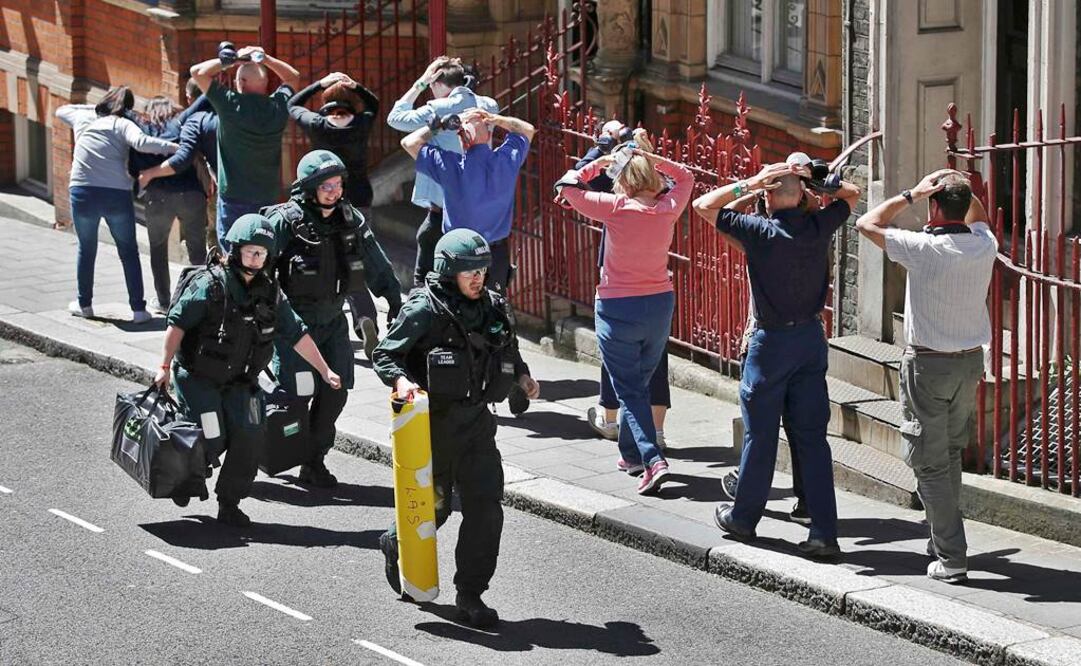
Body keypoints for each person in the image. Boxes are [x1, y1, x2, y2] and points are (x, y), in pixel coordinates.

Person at [692, 157, 861, 558]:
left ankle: (743, 518)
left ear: (767, 198)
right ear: (802, 195)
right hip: (810, 340)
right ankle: (823, 533)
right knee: (813, 439)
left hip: (771, 345)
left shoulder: (760, 231)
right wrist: (813, 180)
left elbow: (703, 205)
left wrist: (752, 182)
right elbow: (852, 195)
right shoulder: (819, 226)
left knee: (761, 435)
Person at [371, 229, 539, 628]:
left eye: (481, 271)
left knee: (486, 509)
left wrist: (523, 377)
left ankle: (470, 594)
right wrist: (402, 382)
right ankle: (396, 541)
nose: (478, 279)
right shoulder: (424, 309)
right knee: (436, 510)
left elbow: (508, 347)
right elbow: (385, 353)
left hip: (478, 424)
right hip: (433, 428)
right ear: (449, 272)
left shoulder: (492, 306)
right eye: (469, 272)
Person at [153, 214, 342, 526]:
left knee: (250, 436)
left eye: (263, 253)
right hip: (199, 378)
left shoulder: (270, 293)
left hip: (241, 380)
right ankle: (184, 475)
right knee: (213, 438)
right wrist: (163, 366)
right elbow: (177, 324)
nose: (257, 258)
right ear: (236, 250)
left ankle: (229, 503)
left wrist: (325, 371)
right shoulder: (210, 285)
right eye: (251, 251)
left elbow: (296, 333)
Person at [855, 169, 995, 584]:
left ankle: (952, 556)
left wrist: (911, 194)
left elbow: (867, 223)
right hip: (969, 363)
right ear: (963, 206)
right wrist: (960, 187)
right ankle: (941, 538)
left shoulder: (923, 247)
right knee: (948, 453)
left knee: (928, 463)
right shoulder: (984, 245)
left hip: (929, 366)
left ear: (934, 205)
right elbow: (980, 216)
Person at [555, 143, 694, 495]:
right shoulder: (668, 207)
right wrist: (654, 158)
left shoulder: (615, 207)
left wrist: (598, 162)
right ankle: (631, 455)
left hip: (618, 307)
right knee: (639, 384)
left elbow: (566, 186)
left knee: (629, 390)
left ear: (624, 181)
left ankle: (653, 460)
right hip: (659, 305)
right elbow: (687, 177)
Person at [262, 150, 403, 488]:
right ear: (309, 188)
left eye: (337, 185)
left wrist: (395, 300)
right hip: (294, 325)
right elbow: (256, 267)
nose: (333, 192)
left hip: (334, 322)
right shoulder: (284, 221)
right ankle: (273, 448)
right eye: (325, 186)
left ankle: (314, 461)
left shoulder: (350, 219)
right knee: (297, 395)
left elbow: (375, 261)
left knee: (335, 393)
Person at [575, 121, 673, 450]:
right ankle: (655, 431)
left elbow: (573, 178)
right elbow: (676, 180)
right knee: (654, 357)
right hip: (655, 284)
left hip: (619, 284)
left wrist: (601, 147)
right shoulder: (661, 194)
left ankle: (612, 419)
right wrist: (647, 154)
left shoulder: (617, 191)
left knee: (617, 355)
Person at [55, 86, 179, 322]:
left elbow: (61, 110)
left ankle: (84, 304)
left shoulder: (83, 118)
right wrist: (176, 148)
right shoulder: (121, 124)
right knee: (129, 251)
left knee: (86, 248)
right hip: (116, 194)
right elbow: (142, 142)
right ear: (127, 108)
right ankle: (139, 310)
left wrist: (95, 107)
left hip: (82, 191)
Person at [288, 71, 384, 357]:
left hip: (326, 202)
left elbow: (292, 105)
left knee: (332, 261)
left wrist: (319, 84)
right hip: (359, 200)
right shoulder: (362, 122)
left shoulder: (318, 125)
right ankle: (364, 317)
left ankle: (343, 317)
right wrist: (357, 86)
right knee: (354, 259)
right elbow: (375, 104)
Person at [386, 56, 499, 286]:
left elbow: (395, 118)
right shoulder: (488, 105)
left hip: (445, 206)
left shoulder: (438, 108)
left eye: (431, 85)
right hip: (479, 203)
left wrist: (420, 82)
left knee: (429, 270)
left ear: (436, 83)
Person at [400, 107, 535, 296]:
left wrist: (440, 125)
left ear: (462, 139)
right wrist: (496, 119)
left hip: (458, 255)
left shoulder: (450, 166)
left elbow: (409, 143)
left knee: (454, 308)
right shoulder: (506, 161)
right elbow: (527, 129)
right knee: (493, 309)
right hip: (495, 255)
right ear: (489, 135)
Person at [189, 43, 300, 251]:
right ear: (265, 83)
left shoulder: (230, 103)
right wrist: (266, 58)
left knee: (232, 252)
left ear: (240, 82)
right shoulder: (277, 107)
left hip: (234, 196)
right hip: (267, 196)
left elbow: (197, 72)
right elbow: (293, 77)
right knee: (263, 250)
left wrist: (231, 60)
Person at [131, 96, 209, 313]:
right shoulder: (182, 124)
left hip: (158, 196)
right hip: (191, 192)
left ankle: (164, 301)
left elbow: (133, 163)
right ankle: (201, 299)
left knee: (158, 249)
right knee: (197, 250)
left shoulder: (142, 130)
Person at [139, 79, 219, 247]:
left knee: (211, 235)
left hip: (199, 190)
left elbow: (183, 159)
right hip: (218, 187)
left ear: (189, 97)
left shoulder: (187, 123)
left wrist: (149, 174)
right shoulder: (223, 116)